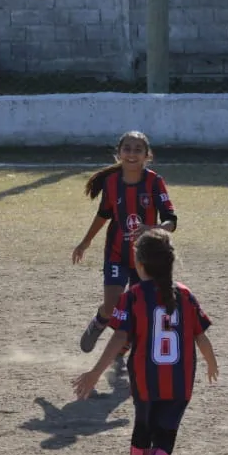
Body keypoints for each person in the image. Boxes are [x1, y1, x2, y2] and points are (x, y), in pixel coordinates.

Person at [72, 229, 218, 455]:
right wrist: (211, 363)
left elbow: (119, 338)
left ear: (139, 264)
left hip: (145, 380)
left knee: (142, 432)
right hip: (180, 382)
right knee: (165, 437)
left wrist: (96, 372)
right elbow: (200, 336)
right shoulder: (185, 295)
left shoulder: (134, 296)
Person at [72, 131, 177, 354]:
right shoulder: (111, 183)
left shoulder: (155, 182)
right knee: (111, 305)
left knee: (142, 306)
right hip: (117, 253)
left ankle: (125, 339)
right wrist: (85, 242)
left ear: (147, 155)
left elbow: (171, 221)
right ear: (119, 153)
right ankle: (100, 321)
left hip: (146, 257)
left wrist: (153, 228)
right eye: (127, 149)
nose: (132, 154)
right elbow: (103, 214)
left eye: (138, 150)